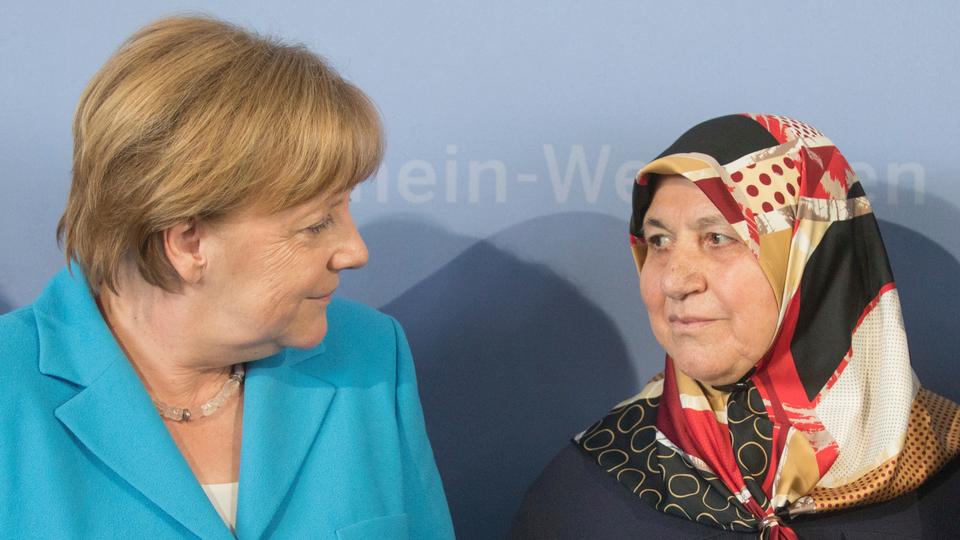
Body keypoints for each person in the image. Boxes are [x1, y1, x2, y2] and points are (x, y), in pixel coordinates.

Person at [0, 16, 454, 539]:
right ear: (188, 242)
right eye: (315, 224)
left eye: (346, 208)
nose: (355, 251)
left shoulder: (370, 356)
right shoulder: (11, 389)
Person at [511, 114, 960, 538]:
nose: (674, 280)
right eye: (659, 241)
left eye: (719, 238)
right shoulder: (586, 493)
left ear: (815, 262)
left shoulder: (944, 467)